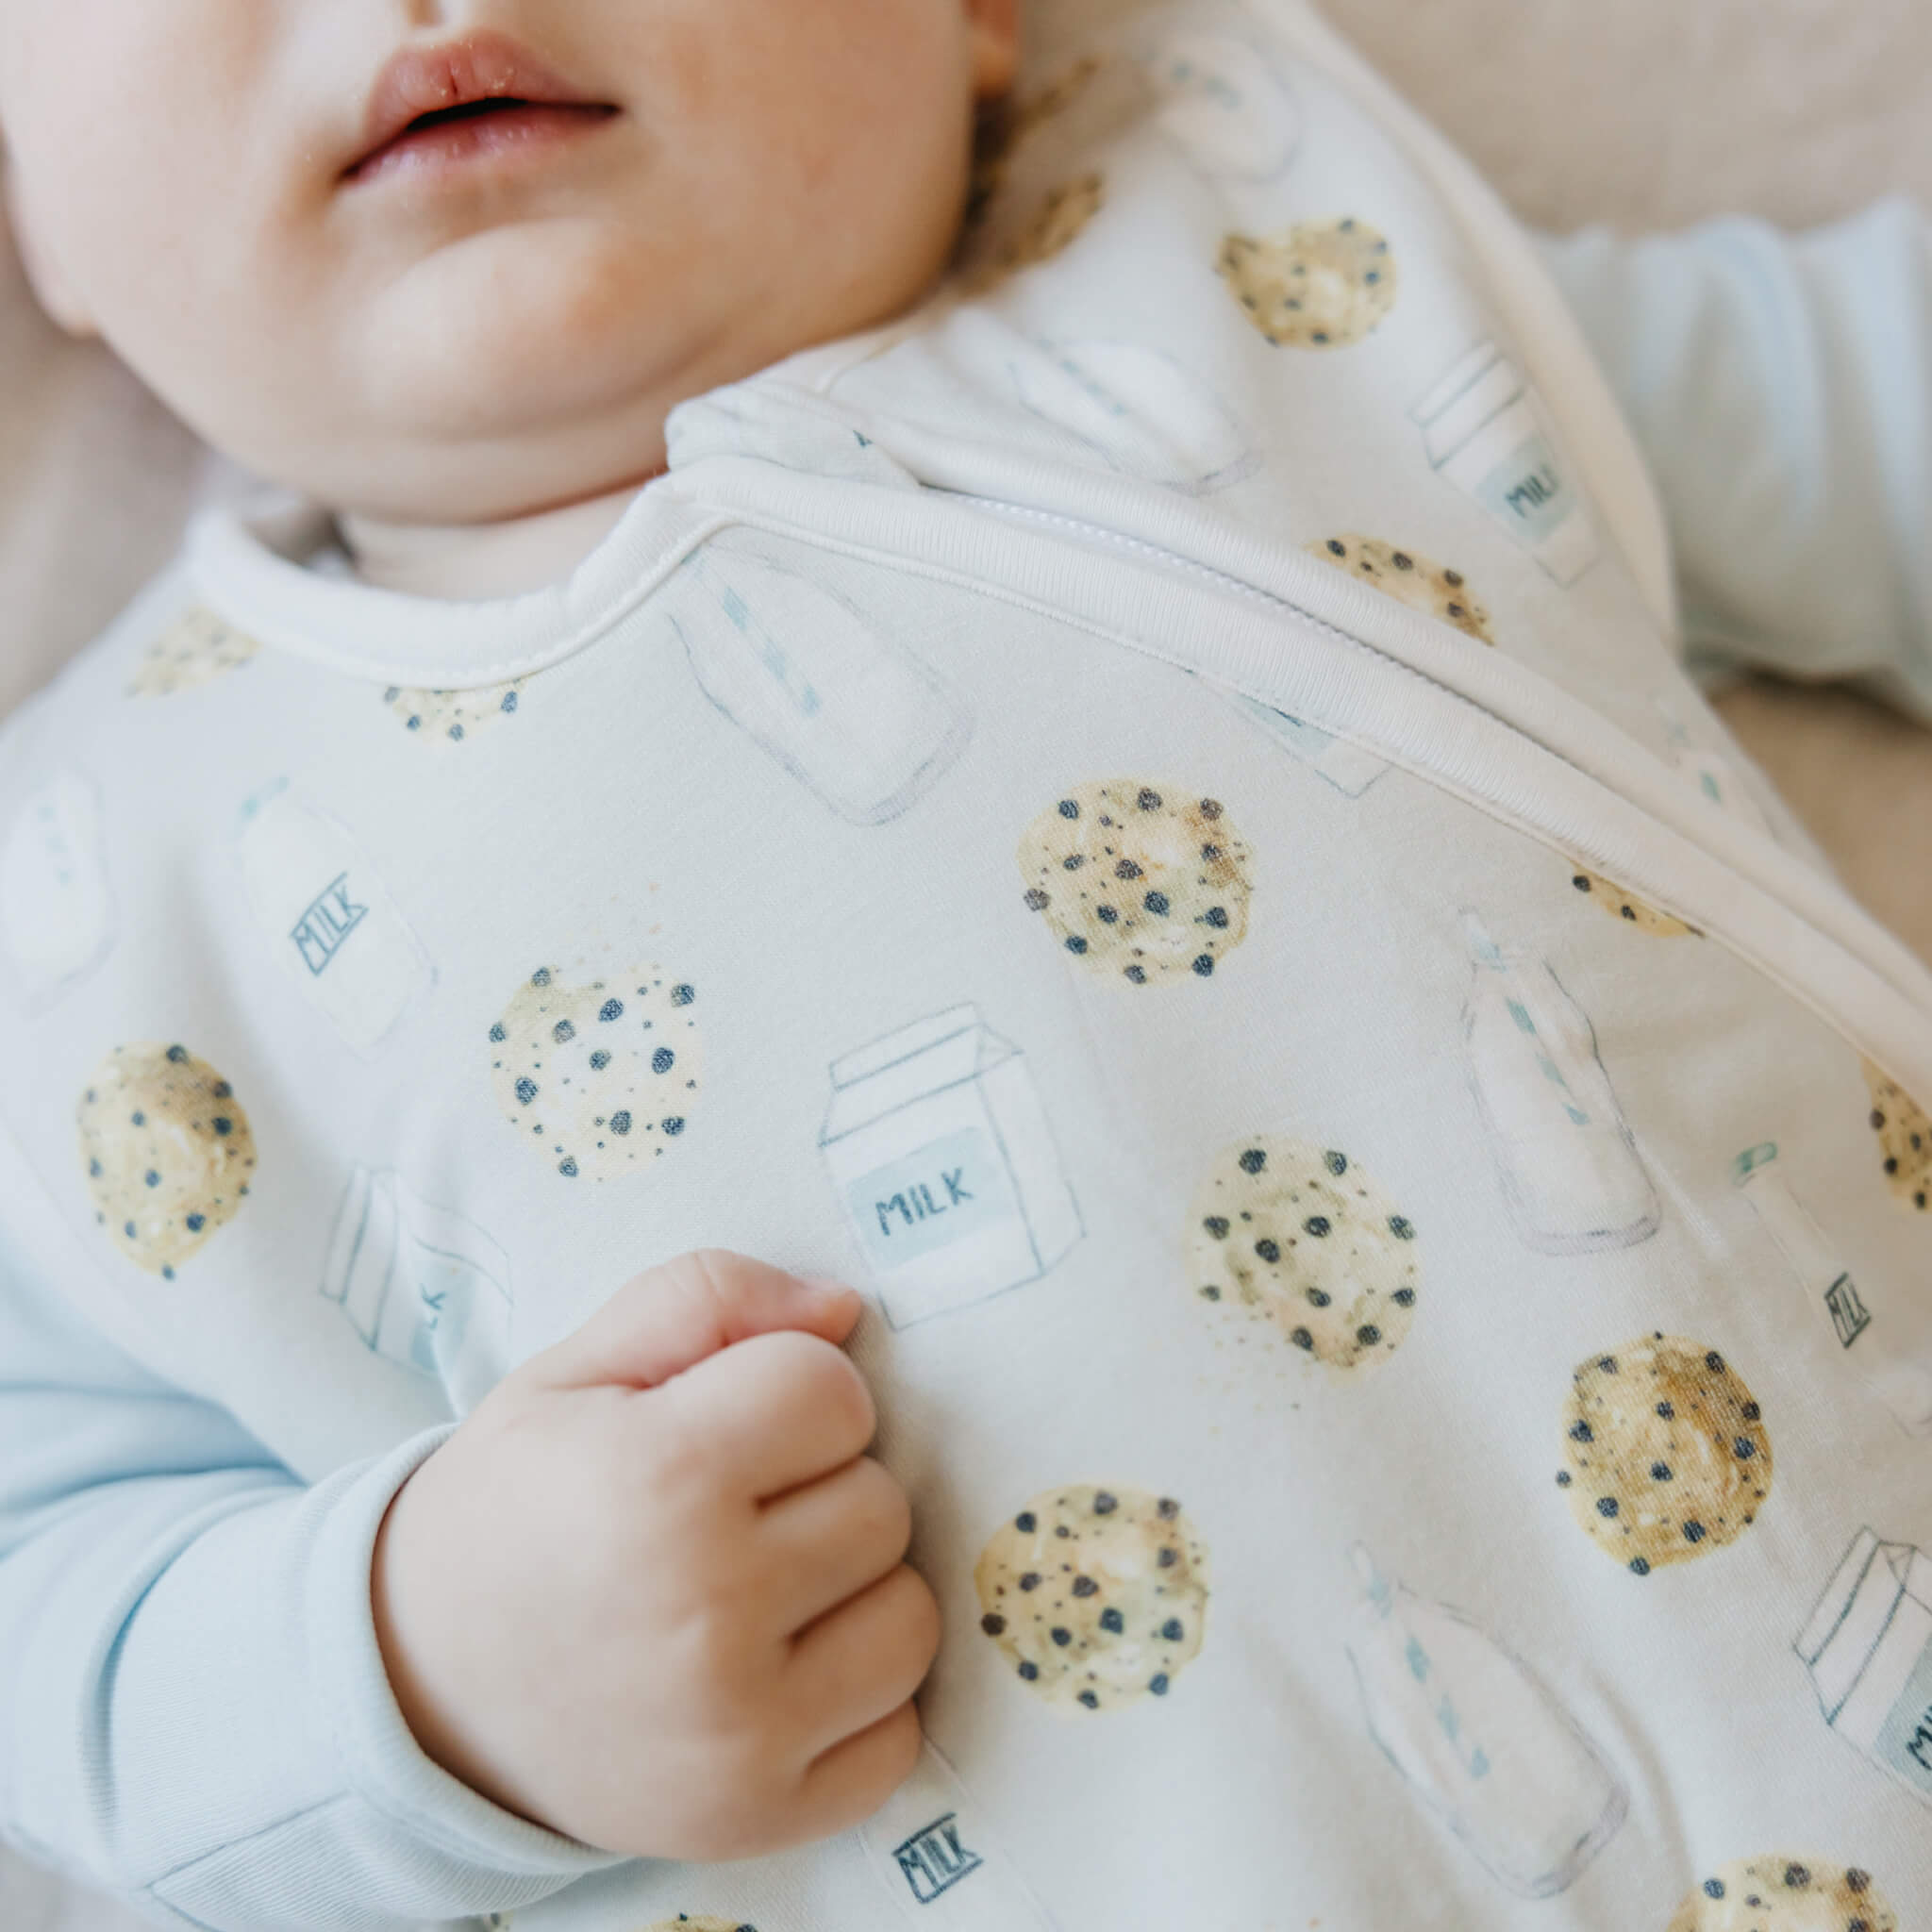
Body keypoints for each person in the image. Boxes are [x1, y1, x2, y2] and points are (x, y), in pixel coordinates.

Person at [0, 0, 1927, 1925]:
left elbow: (1859, 403)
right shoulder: (91, 906)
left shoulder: (1285, 282)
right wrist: (424, 1674)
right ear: (31, 200)